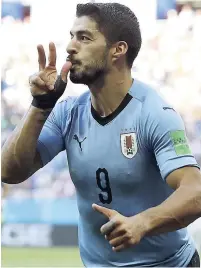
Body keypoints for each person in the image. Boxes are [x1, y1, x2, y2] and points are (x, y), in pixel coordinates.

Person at [1, 2, 201, 267]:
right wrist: (41, 105)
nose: (71, 47)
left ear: (118, 50)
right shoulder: (68, 113)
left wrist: (142, 223)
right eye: (72, 37)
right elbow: (9, 172)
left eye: (84, 38)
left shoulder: (154, 113)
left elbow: (196, 191)